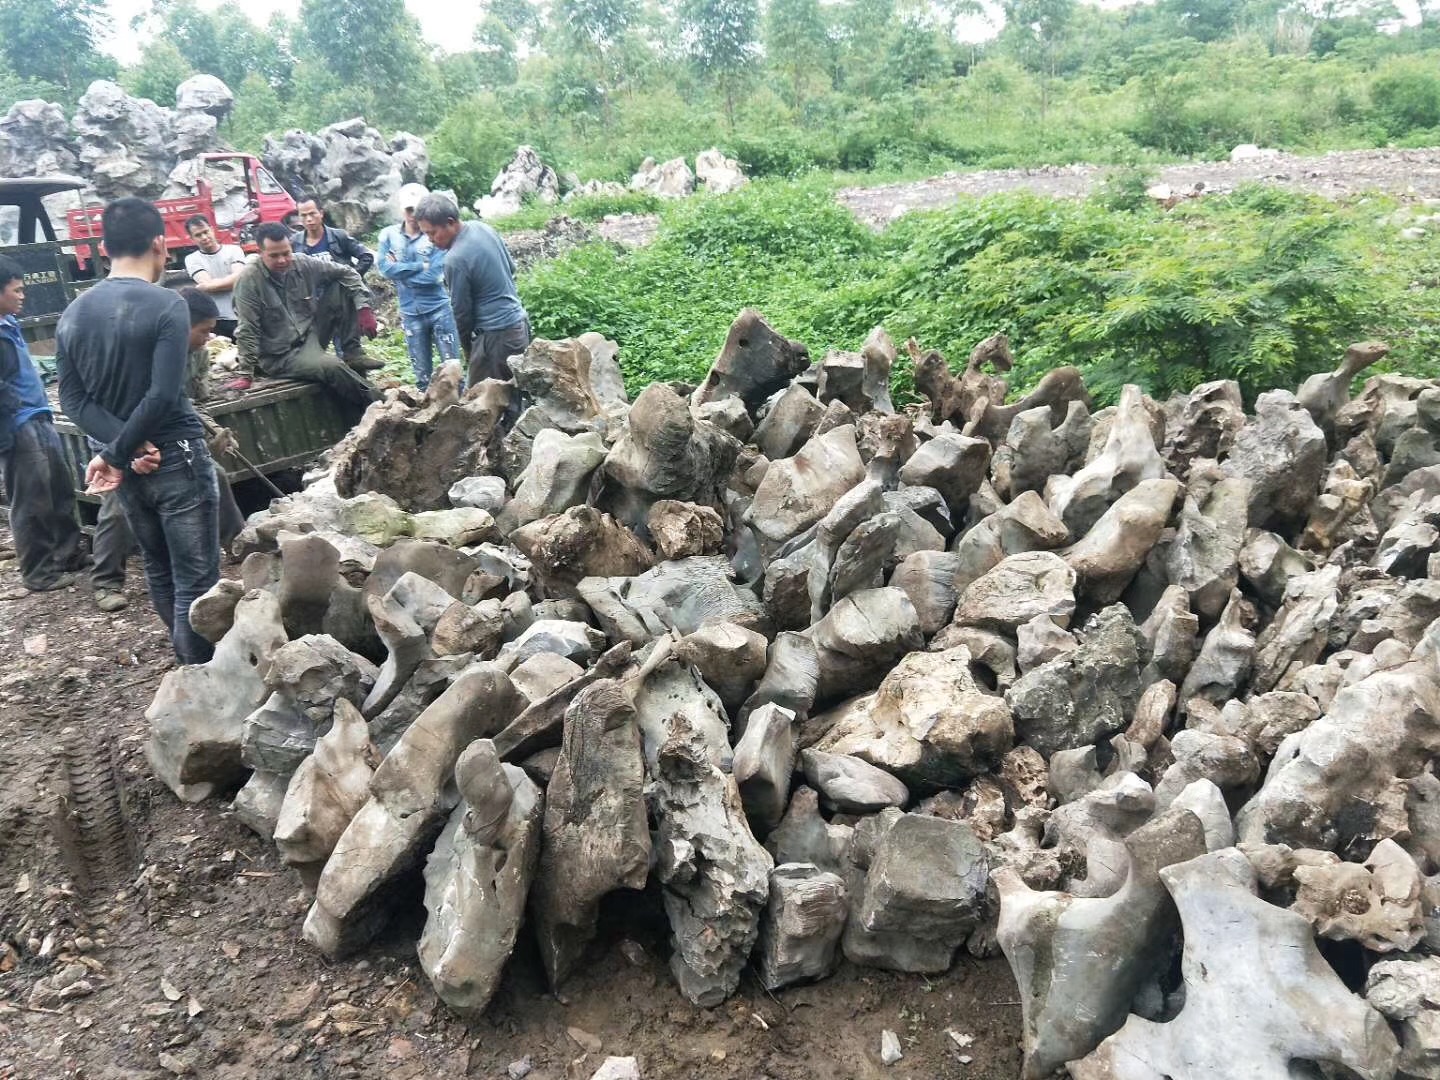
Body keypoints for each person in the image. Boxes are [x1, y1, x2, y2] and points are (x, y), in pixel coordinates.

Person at [56, 197, 219, 665]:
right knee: (196, 580)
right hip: (177, 457)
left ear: (104, 247)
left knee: (160, 570)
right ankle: (201, 675)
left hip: (130, 469)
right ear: (160, 244)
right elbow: (164, 394)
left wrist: (118, 450)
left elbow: (73, 400)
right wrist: (120, 450)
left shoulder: (74, 313)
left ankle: (189, 670)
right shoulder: (167, 303)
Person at [92, 288, 247, 614]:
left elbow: (187, 403)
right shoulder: (141, 350)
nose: (209, 338)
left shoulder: (196, 354)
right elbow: (124, 404)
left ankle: (241, 543)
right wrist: (127, 448)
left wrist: (212, 431)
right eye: (203, 331)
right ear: (180, 324)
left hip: (169, 444)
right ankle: (106, 581)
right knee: (116, 508)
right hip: (123, 442)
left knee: (215, 476)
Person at [0, 255, 85, 593]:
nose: (23, 296)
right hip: (18, 424)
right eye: (16, 290)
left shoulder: (8, 323)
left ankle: (68, 555)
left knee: (60, 489)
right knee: (32, 500)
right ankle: (38, 572)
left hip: (38, 415)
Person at [231, 222, 384, 409]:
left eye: (286, 253)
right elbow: (247, 328)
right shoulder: (249, 281)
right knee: (333, 367)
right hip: (281, 355)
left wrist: (364, 308)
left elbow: (347, 273)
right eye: (274, 256)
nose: (282, 260)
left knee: (341, 285)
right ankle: (381, 405)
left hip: (311, 334)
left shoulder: (302, 263)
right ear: (260, 252)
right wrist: (246, 374)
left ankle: (352, 352)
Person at [412, 193, 530, 402]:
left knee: (481, 403)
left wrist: (469, 350)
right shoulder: (482, 228)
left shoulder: (455, 259)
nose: (430, 240)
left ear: (450, 223)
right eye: (426, 235)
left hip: (495, 337)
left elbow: (462, 313)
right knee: (515, 394)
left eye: (432, 233)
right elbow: (511, 268)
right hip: (518, 324)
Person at [377, 183, 459, 391]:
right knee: (422, 375)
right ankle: (428, 418)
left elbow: (435, 274)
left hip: (438, 308)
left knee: (452, 371)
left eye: (416, 209)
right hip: (410, 312)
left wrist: (401, 273)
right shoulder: (389, 236)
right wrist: (418, 266)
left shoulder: (435, 235)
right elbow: (385, 269)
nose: (412, 214)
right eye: (408, 209)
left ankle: (459, 413)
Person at [182, 215, 246, 340]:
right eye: (198, 235)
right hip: (216, 320)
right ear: (191, 238)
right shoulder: (192, 259)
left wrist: (209, 286)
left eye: (206, 232)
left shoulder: (234, 250)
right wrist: (231, 280)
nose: (204, 237)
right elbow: (207, 282)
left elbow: (238, 279)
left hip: (242, 315)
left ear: (212, 229)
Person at [292, 195, 375, 276]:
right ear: (299, 217)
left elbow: (367, 256)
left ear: (321, 213)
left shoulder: (339, 236)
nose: (309, 219)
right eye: (303, 215)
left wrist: (351, 277)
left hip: (342, 288)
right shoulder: (294, 242)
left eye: (312, 213)